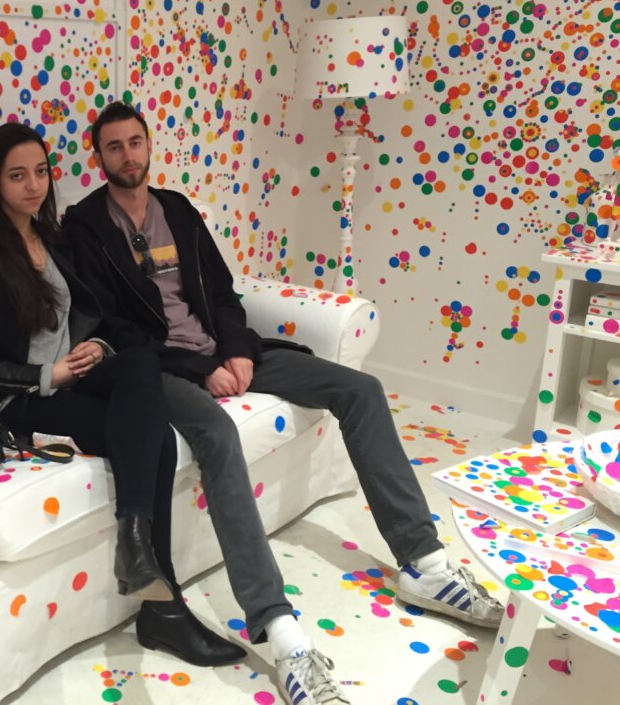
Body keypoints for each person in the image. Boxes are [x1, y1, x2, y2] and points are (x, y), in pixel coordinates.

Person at [62, 102, 504, 705]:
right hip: (158, 371)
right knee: (215, 433)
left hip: (223, 350)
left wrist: (238, 352)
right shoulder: (83, 226)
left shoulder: (180, 211)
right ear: (99, 156)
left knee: (360, 389)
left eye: (135, 142)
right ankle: (284, 635)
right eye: (114, 147)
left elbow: (222, 293)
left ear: (148, 145)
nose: (128, 155)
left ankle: (423, 562)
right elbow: (112, 327)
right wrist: (203, 369)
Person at [0, 122, 245, 666]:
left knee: (138, 360)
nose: (33, 186)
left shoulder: (54, 238)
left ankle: (138, 551)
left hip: (74, 375)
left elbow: (102, 317)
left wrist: (99, 346)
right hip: (22, 399)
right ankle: (162, 609)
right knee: (160, 445)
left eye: (40, 172)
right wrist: (45, 376)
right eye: (17, 176)